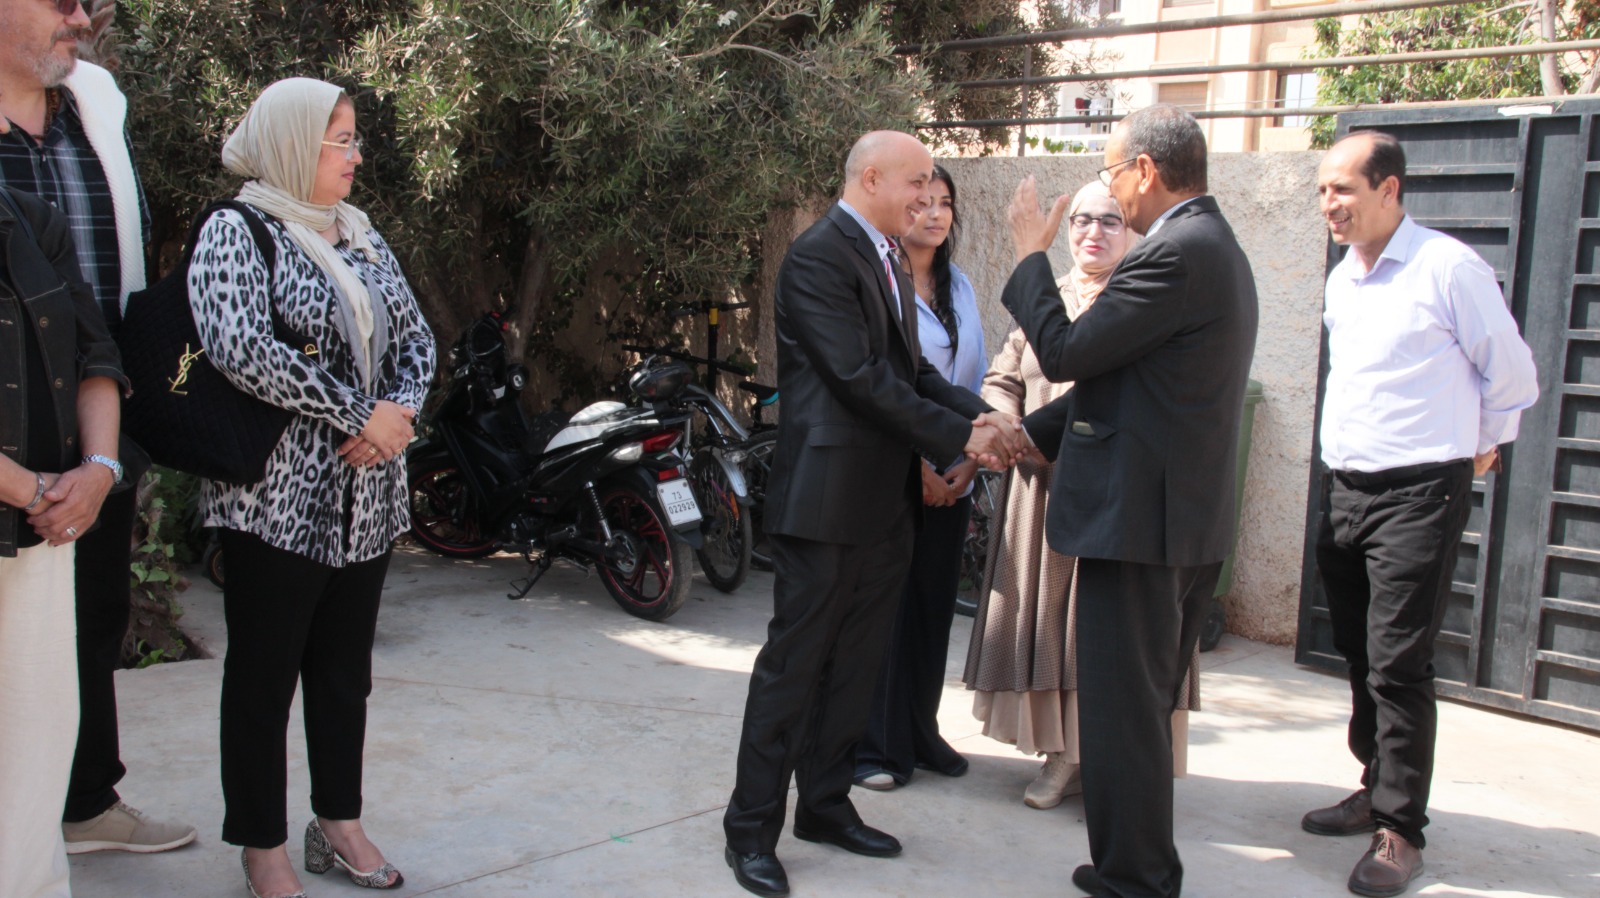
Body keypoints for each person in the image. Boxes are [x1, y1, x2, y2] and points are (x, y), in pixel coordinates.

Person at [723, 130, 1025, 898]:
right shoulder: (819, 256)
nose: (927, 196)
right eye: (916, 182)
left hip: (885, 506)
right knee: (794, 670)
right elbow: (858, 377)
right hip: (825, 505)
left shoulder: (885, 255)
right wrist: (962, 436)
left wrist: (981, 415)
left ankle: (825, 806)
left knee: (857, 667)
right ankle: (750, 831)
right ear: (870, 179)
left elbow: (912, 371)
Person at [187, 78, 436, 898]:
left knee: (343, 673)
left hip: (366, 497)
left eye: (356, 138)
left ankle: (338, 821)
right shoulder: (237, 229)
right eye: (340, 139)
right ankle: (261, 846)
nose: (355, 154)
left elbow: (418, 340)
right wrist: (361, 413)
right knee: (263, 679)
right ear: (294, 143)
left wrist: (398, 411)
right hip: (275, 501)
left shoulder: (359, 232)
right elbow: (241, 348)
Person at [1002, 104, 1259, 898]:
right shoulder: (1211, 246)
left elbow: (1069, 352)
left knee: (1124, 714)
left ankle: (1138, 879)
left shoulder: (1172, 255)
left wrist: (1030, 257)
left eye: (1112, 173)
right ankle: (1132, 865)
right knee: (1134, 711)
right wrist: (1023, 433)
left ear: (1146, 170)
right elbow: (1123, 383)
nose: (1111, 189)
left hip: (1141, 527)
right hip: (1174, 523)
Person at [1305, 131, 1537, 898]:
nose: (1330, 204)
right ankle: (1374, 784)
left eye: (1343, 188)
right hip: (1346, 488)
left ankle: (1401, 830)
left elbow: (1514, 375)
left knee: (1399, 662)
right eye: (1323, 190)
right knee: (1357, 651)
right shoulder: (1345, 276)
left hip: (1418, 493)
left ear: (1389, 189)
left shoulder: (1448, 268)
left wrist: (1479, 445)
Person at [0, 0, 200, 855]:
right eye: (61, 1)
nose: (81, 18)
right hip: (9, 416)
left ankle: (83, 803)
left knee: (92, 613)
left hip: (95, 402)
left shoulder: (93, 112)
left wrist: (103, 457)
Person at [964, 181, 1201, 811]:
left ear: (1133, 232)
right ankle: (1056, 748)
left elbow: (1104, 392)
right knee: (1045, 623)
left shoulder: (1138, 297)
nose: (1093, 232)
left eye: (1110, 221)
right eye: (1081, 220)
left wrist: (1029, 439)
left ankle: (1086, 756)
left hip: (1107, 493)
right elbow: (1003, 374)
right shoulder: (1052, 296)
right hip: (1037, 490)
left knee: (1090, 631)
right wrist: (1002, 424)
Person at [0, 183, 123, 898]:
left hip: (37, 534)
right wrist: (31, 488)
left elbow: (93, 352)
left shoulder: (31, 217)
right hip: (35, 503)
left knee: (35, 740)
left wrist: (99, 470)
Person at [853, 164, 987, 791]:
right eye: (923, 200)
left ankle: (920, 729)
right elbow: (886, 390)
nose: (934, 213)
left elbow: (970, 379)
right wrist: (921, 464)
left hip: (957, 470)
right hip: (898, 473)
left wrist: (969, 455)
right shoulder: (882, 282)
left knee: (934, 607)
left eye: (945, 203)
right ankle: (875, 747)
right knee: (888, 610)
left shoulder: (959, 284)